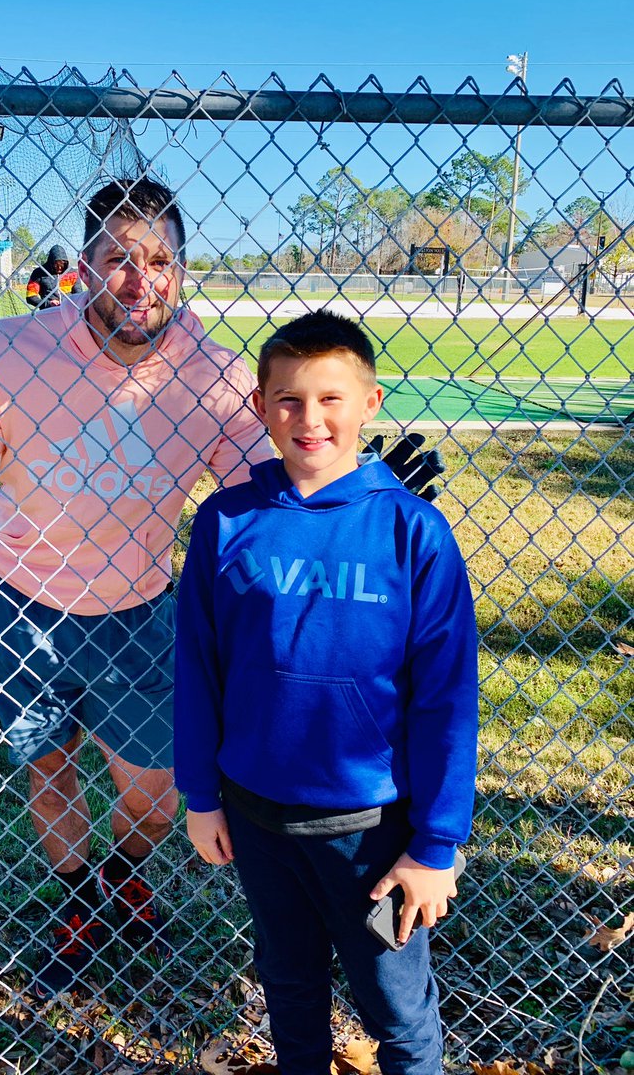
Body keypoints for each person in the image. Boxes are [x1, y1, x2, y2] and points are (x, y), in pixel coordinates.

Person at [0, 178, 442, 1000]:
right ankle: (80, 901)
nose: (140, 279)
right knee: (50, 771)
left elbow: (271, 486)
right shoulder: (9, 348)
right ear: (83, 265)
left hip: (139, 605)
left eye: (159, 260)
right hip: (18, 600)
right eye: (118, 258)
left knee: (151, 795)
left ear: (181, 270)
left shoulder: (214, 375)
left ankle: (126, 872)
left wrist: (360, 494)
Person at [174, 310, 478, 1075]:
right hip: (258, 818)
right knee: (289, 981)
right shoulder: (226, 521)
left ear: (370, 404)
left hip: (369, 835)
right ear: (259, 406)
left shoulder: (413, 532)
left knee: (396, 1006)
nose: (310, 419)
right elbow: (199, 667)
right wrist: (201, 795)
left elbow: (447, 698)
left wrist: (434, 844)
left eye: (332, 398)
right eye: (289, 400)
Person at [25, 243, 81, 309]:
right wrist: (48, 304)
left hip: (68, 311)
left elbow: (79, 295)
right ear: (51, 262)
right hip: (48, 312)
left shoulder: (72, 273)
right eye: (56, 265)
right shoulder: (39, 273)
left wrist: (68, 303)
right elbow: (30, 296)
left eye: (62, 265)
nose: (59, 268)